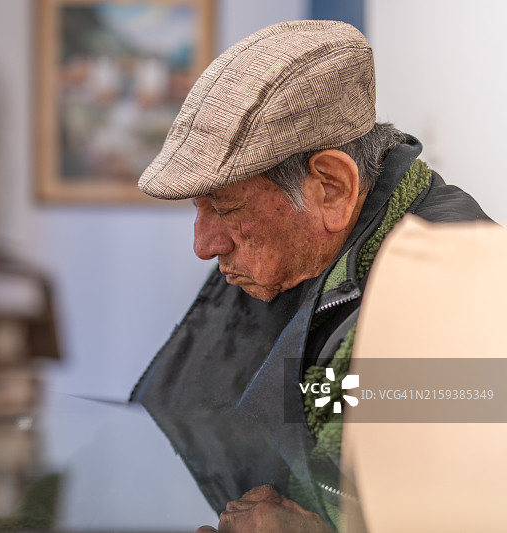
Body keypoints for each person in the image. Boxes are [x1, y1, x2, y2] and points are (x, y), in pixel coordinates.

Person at [128, 20, 490, 532]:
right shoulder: (303, 245)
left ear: (333, 187)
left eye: (227, 210)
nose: (203, 245)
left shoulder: (451, 292)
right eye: (199, 208)